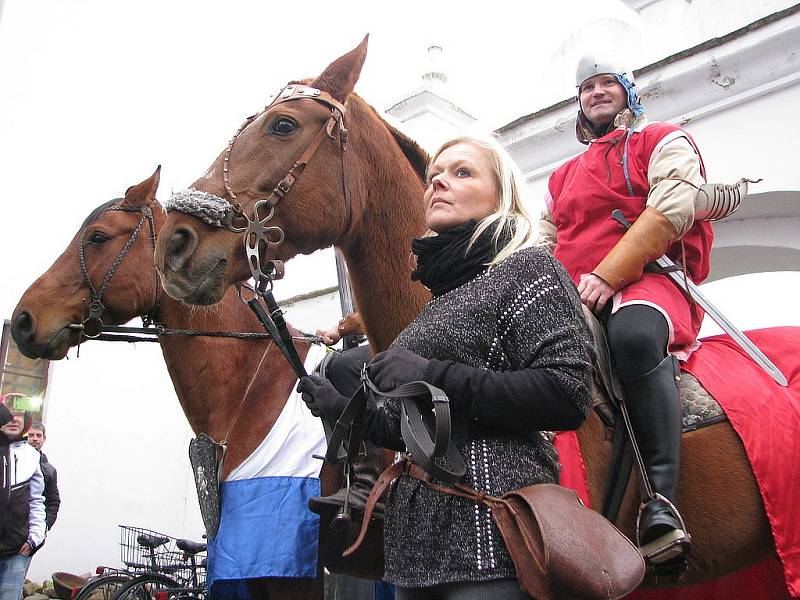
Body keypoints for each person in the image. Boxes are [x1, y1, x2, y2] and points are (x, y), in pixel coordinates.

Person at [300, 135, 594, 599]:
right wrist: (339, 407)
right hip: (415, 555)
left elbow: (566, 392)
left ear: (501, 195)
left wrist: (430, 374)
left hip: (492, 540)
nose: (438, 180)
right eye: (435, 174)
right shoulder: (436, 302)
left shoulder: (529, 268)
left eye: (462, 172)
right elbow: (418, 430)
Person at [539, 54, 713, 565]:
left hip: (646, 281)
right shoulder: (560, 177)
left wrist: (609, 274)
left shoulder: (661, 138)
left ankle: (660, 502)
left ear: (629, 92)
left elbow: (673, 206)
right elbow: (542, 243)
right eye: (587, 87)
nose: (595, 92)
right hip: (574, 295)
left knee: (634, 337)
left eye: (606, 84)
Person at [0, 394, 46, 600]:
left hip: (16, 553)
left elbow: (37, 500)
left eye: (19, 414)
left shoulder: (31, 455)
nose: (14, 418)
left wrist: (35, 537)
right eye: (8, 413)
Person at [27, 422, 61, 531]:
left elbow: (53, 501)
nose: (35, 439)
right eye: (31, 435)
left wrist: (44, 526)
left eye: (38, 435)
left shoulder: (50, 471)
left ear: (44, 439)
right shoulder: (12, 461)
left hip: (33, 528)